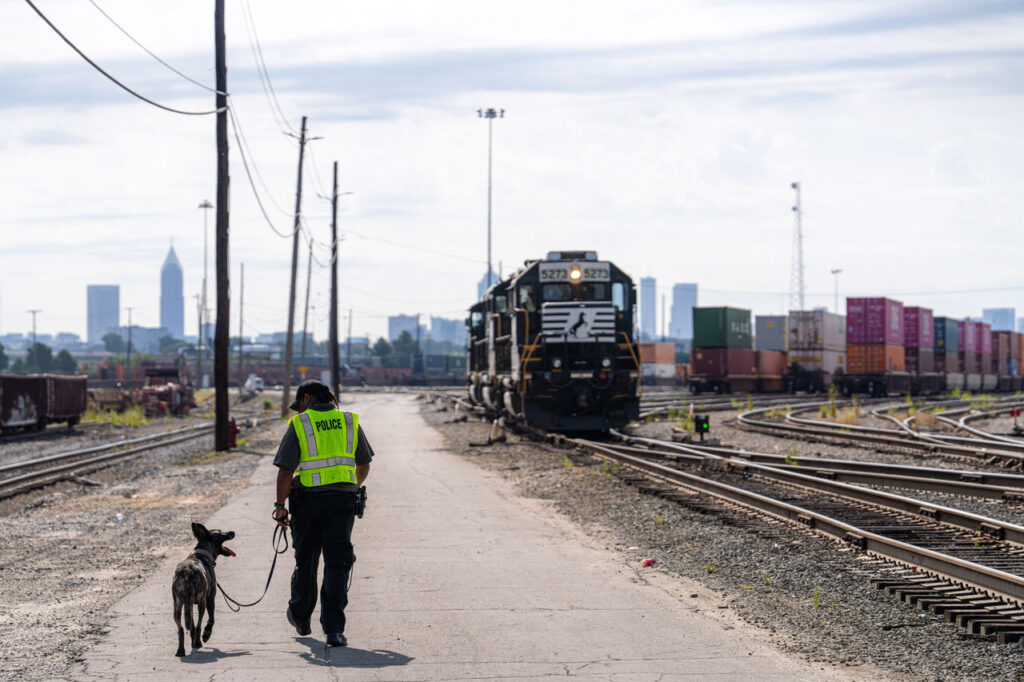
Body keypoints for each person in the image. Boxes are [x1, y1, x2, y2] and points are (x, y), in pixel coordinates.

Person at [272, 379, 373, 647]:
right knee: (337, 564)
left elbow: (285, 472)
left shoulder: (300, 424)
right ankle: (334, 630)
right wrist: (351, 486)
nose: (299, 410)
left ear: (307, 398)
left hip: (307, 503)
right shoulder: (349, 421)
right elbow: (364, 464)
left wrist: (280, 507)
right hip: (342, 503)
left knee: (306, 562)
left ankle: (300, 616)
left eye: (300, 404)